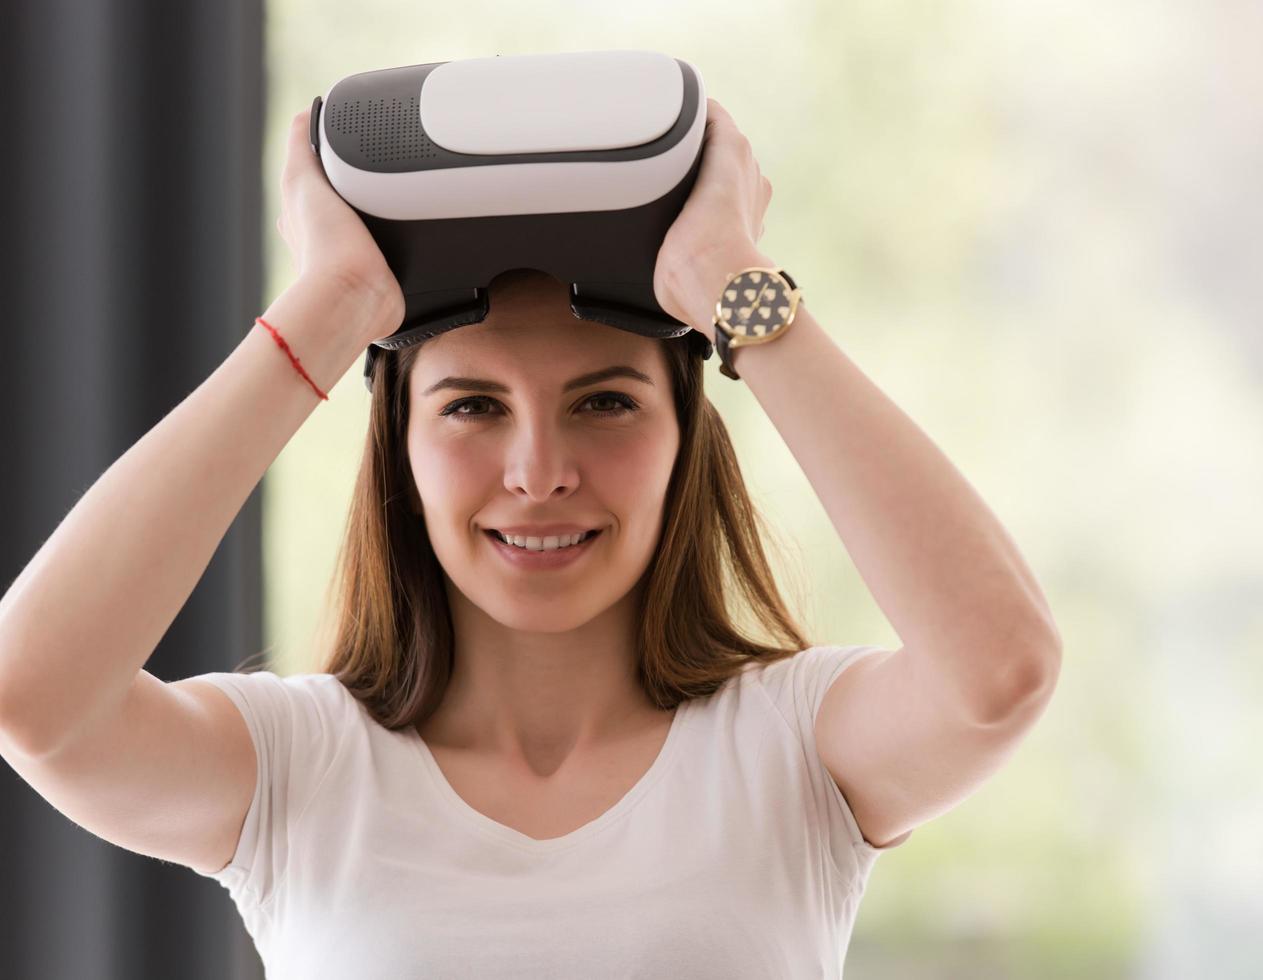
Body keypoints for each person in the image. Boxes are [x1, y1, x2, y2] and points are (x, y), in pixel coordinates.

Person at [0, 96, 1063, 977]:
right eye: (471, 406)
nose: (538, 470)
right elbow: (34, 698)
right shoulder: (299, 765)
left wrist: (730, 283)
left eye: (604, 403)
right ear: (400, 453)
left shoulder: (786, 746)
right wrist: (331, 309)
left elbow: (997, 671)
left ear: (685, 440)